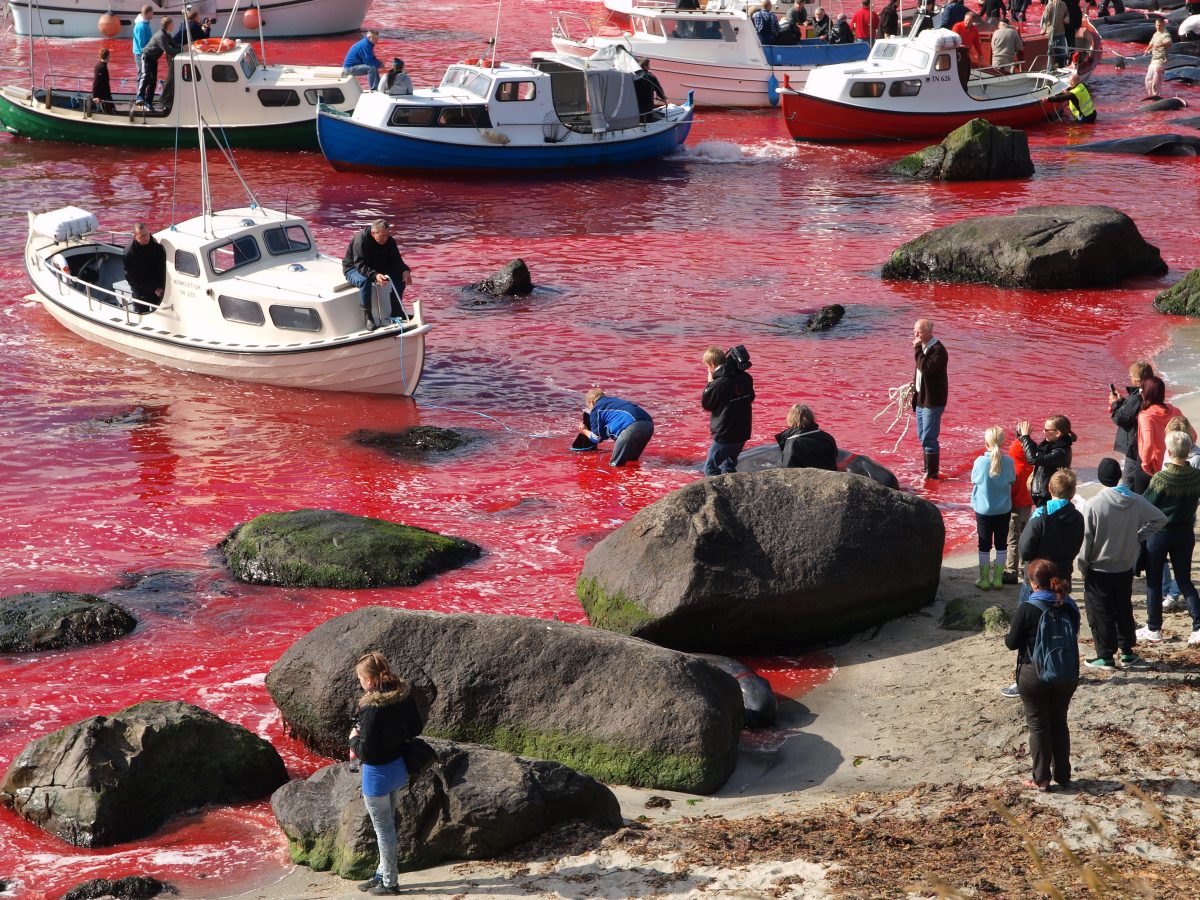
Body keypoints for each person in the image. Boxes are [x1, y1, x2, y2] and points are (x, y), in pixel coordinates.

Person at [1077, 457, 1166, 669]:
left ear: (1099, 478)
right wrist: (1137, 537)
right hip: (1125, 566)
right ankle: (1127, 653)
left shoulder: (1094, 504)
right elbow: (1160, 519)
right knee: (1123, 609)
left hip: (1099, 568)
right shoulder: (1135, 500)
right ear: (1119, 476)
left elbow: (1086, 541)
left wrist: (1082, 564)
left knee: (1100, 613)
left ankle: (1105, 656)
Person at [349, 650, 424, 897]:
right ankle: (382, 872)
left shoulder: (372, 710)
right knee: (388, 824)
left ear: (369, 681)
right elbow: (416, 727)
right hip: (398, 768)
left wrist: (353, 741)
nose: (360, 683)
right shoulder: (402, 698)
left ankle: (390, 882)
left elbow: (367, 753)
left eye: (360, 679)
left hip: (377, 776)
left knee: (384, 831)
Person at [1004, 559, 1080, 792]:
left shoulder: (1028, 607)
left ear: (1033, 583)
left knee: (1038, 726)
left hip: (1034, 673)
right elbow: (1074, 633)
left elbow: (1011, 643)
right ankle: (1064, 775)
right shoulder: (1070, 605)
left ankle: (1041, 778)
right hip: (1066, 672)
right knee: (1059, 721)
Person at [1139, 432, 1200, 647]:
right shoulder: (1195, 475)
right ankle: (1198, 627)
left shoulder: (1162, 478)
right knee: (1184, 580)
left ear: (1169, 451)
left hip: (1160, 533)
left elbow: (1146, 505)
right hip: (1185, 532)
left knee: (1154, 581)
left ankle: (1154, 628)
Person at [1018, 468, 1084, 598]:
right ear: (1073, 492)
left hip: (1037, 577)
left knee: (1030, 614)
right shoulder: (1078, 517)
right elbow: (1076, 547)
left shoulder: (1041, 515)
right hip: (1063, 575)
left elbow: (1024, 549)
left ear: (1049, 487)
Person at [342, 219, 412, 330]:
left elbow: (396, 260)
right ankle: (368, 317)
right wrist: (375, 275)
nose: (386, 238)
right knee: (365, 281)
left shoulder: (389, 240)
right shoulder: (361, 240)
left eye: (388, 235)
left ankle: (396, 309)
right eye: (383, 236)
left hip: (377, 266)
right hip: (354, 268)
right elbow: (360, 265)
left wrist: (405, 270)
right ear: (374, 233)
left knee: (400, 273)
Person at [971, 426, 1016, 590]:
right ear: (1003, 442)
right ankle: (997, 579)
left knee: (984, 545)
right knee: (1001, 544)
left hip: (984, 510)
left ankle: (984, 579)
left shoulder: (980, 462)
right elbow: (1012, 480)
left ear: (985, 443)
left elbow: (974, 480)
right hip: (1003, 509)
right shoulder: (1009, 461)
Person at [701, 346, 755, 476]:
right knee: (728, 466)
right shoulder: (745, 377)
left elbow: (707, 404)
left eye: (707, 366)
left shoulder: (718, 384)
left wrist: (710, 383)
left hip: (725, 434)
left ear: (712, 364)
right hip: (743, 431)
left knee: (710, 469)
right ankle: (732, 492)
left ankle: (719, 495)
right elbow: (751, 397)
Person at [910, 318, 948, 481]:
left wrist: (917, 349)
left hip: (933, 401)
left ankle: (932, 475)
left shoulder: (938, 350)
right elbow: (919, 372)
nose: (915, 334)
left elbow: (925, 368)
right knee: (922, 436)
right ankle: (927, 469)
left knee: (929, 437)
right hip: (921, 399)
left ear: (929, 332)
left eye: (918, 331)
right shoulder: (924, 347)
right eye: (914, 331)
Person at [579, 388, 655, 467]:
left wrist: (584, 431)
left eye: (588, 406)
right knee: (632, 461)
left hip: (631, 427)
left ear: (591, 402)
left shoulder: (596, 409)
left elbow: (597, 438)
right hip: (649, 424)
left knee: (615, 466)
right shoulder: (613, 401)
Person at [1137, 376, 1190, 484]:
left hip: (1154, 465)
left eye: (1141, 390)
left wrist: (1145, 464)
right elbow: (1192, 435)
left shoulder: (1146, 415)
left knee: (1144, 498)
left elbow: (1148, 443)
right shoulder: (1174, 411)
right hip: (1175, 462)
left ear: (1146, 393)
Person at [1110, 361, 1152, 490]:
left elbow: (1120, 418)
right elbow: (1131, 412)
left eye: (1131, 376)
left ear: (1137, 380)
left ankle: (1130, 506)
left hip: (1134, 445)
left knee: (1129, 481)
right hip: (1144, 443)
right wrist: (1122, 401)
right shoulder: (1150, 393)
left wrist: (1115, 403)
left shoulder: (1137, 397)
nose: (1130, 378)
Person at [1018, 414, 1075, 509]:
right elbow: (1038, 453)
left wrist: (1026, 438)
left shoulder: (1060, 452)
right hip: (1044, 494)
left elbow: (1033, 459)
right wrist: (1023, 437)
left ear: (1057, 433)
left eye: (1047, 430)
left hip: (1049, 496)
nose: (1043, 432)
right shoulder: (1053, 445)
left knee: (1045, 521)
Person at [1001, 432, 1036, 587]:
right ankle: (1023, 567)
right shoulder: (1031, 466)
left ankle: (1011, 571)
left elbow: (1008, 489)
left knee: (1013, 539)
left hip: (1015, 506)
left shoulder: (1013, 468)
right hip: (1027, 505)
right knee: (1024, 536)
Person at [775, 404, 838, 471]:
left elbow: (788, 467)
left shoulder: (792, 442)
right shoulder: (827, 437)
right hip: (829, 476)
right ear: (811, 418)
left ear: (791, 419)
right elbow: (835, 456)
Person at [138, 16, 179, 112]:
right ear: (168, 25)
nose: (174, 25)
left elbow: (175, 45)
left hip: (153, 59)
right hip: (146, 57)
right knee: (146, 76)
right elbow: (168, 50)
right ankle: (140, 97)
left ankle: (148, 102)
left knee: (153, 81)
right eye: (172, 24)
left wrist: (185, 47)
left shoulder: (167, 35)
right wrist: (181, 49)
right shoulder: (160, 36)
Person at [123, 222, 167, 313]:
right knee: (142, 312)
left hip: (157, 286)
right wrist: (154, 289)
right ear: (135, 236)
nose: (146, 237)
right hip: (141, 289)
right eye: (142, 236)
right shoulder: (129, 253)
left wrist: (160, 286)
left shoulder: (156, 246)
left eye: (147, 234)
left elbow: (161, 268)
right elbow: (132, 279)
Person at [1145, 17, 1172, 100]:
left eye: (1159, 25)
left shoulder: (1166, 34)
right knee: (1148, 80)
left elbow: (1169, 43)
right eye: (1156, 25)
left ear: (1163, 24)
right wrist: (1147, 49)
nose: (1158, 27)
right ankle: (1151, 96)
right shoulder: (1155, 34)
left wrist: (1160, 45)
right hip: (1154, 59)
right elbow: (1151, 43)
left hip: (1161, 61)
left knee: (1155, 82)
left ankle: (1157, 96)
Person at [1041, 0, 1069, 68]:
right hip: (1050, 33)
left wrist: (1067, 18)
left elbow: (1067, 14)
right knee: (1050, 53)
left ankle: (1061, 67)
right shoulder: (1049, 6)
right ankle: (1050, 68)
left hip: (1060, 32)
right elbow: (1045, 19)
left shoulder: (1063, 5)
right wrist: (1044, 29)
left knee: (1061, 53)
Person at [132, 4, 153, 85]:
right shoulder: (141, 26)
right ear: (147, 13)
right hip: (141, 54)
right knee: (142, 75)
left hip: (142, 53)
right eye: (152, 12)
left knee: (144, 74)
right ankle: (140, 96)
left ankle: (142, 94)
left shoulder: (145, 25)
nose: (153, 14)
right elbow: (142, 44)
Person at [91, 48, 115, 114]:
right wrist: (95, 96)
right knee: (110, 112)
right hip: (103, 95)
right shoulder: (101, 67)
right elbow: (96, 82)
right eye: (109, 55)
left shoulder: (99, 65)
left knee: (111, 110)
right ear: (107, 56)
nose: (110, 57)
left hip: (106, 94)